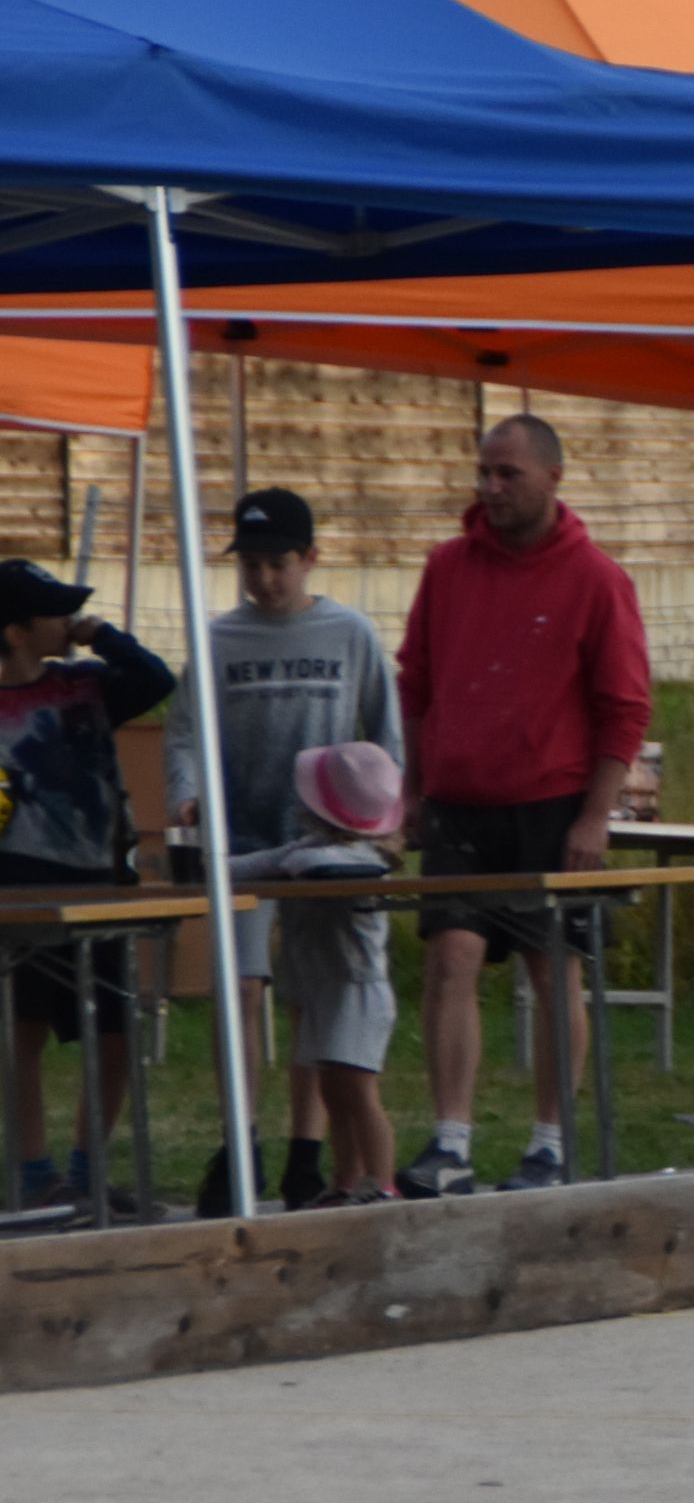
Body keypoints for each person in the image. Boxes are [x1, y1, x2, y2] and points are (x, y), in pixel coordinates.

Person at [393, 414, 651, 1197]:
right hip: (460, 801)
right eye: (484, 472)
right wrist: (413, 786)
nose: (492, 488)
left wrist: (594, 816)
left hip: (551, 801)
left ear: (552, 479)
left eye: (508, 474)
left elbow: (624, 707)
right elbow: (417, 683)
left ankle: (550, 1142)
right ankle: (451, 1142)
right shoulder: (448, 567)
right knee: (451, 957)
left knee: (552, 969)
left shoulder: (596, 579)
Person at [168, 488, 400, 1215]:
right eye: (252, 566)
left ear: (309, 559)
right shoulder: (220, 639)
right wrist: (188, 792)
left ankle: (308, 1148)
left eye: (278, 564)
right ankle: (240, 1140)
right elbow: (184, 730)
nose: (265, 580)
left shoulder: (348, 633)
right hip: (243, 839)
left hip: (325, 842)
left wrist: (383, 821)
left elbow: (385, 731)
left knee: (313, 993)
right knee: (240, 988)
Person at [0, 558, 175, 1218]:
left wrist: (102, 635)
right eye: (55, 612)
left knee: (113, 1029)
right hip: (20, 885)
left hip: (99, 878)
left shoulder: (86, 686)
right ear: (16, 632)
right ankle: (34, 1172)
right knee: (24, 1028)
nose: (68, 618)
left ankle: (88, 1169)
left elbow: (155, 679)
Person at [224, 743, 403, 1209]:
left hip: (357, 990)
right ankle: (345, 1178)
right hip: (323, 988)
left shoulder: (366, 858)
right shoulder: (305, 851)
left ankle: (383, 1182)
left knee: (359, 1091)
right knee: (332, 1088)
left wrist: (287, 864)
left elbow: (317, 867)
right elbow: (257, 865)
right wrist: (209, 867)